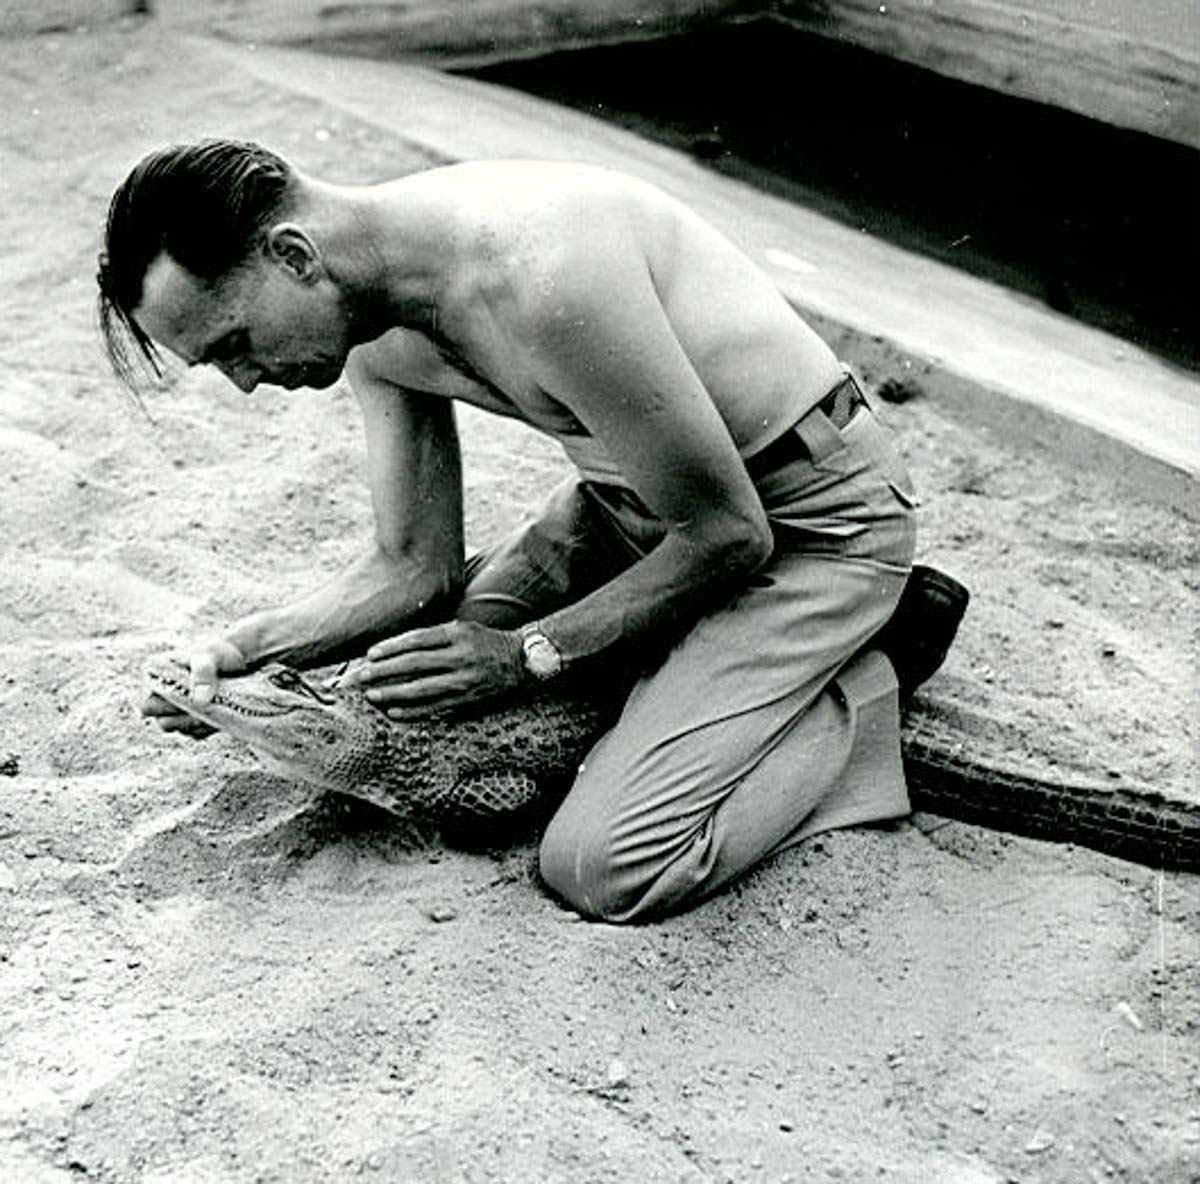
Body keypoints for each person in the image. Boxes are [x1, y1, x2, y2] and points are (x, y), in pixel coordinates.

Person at [98, 139, 967, 922]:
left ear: (293, 255)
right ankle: (684, 689)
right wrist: (240, 653)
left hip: (808, 524)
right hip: (634, 508)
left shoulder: (536, 272)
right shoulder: (362, 313)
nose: (244, 383)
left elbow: (730, 536)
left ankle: (871, 674)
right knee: (407, 683)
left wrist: (529, 654)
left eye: (233, 345)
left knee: (603, 863)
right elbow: (411, 567)